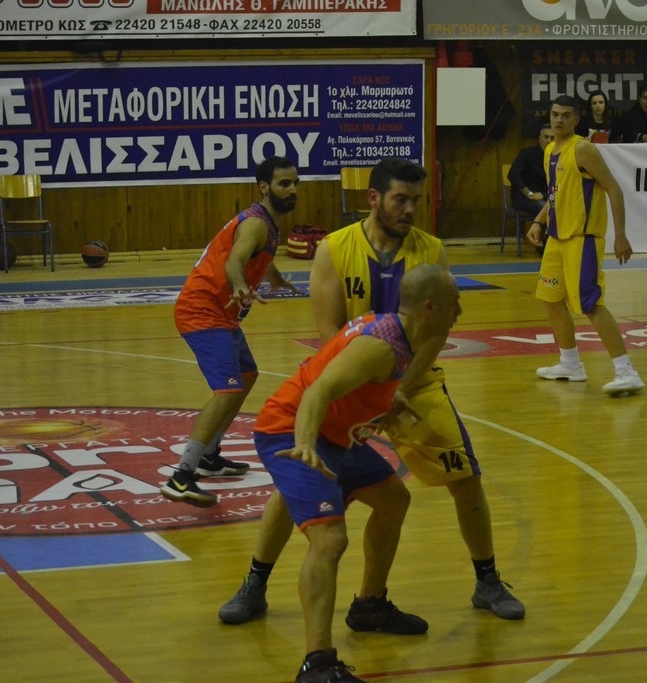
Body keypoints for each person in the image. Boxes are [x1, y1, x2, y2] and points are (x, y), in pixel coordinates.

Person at [218, 158, 525, 628]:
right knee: (296, 481)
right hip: (350, 381)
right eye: (401, 199)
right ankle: (255, 583)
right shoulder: (335, 248)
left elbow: (438, 329)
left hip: (414, 383)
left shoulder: (431, 250)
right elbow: (331, 336)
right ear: (374, 198)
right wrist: (371, 389)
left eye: (416, 200)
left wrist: (399, 386)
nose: (410, 210)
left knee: (465, 477)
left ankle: (487, 581)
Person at [254, 263, 462, 683]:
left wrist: (388, 399)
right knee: (329, 539)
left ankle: (369, 606)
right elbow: (318, 391)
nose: (460, 312)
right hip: (291, 430)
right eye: (454, 304)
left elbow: (350, 376)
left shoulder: (400, 335)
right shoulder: (382, 346)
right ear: (430, 308)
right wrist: (305, 444)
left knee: (394, 501)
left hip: (338, 435)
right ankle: (317, 665)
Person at [161, 155, 299, 506]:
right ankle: (181, 476)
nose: (292, 190)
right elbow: (235, 260)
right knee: (227, 390)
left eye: (295, 183)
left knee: (247, 375)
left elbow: (258, 256)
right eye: (284, 183)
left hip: (221, 315)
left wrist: (275, 278)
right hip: (202, 310)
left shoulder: (266, 222)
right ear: (264, 187)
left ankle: (209, 456)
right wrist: (238, 284)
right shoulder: (256, 224)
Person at [527, 95, 644, 397]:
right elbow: (556, 194)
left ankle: (626, 371)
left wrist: (620, 235)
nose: (559, 120)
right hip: (556, 239)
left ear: (577, 120)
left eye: (566, 115)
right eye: (555, 114)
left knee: (591, 304)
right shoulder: (550, 150)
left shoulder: (583, 149)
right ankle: (570, 364)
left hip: (582, 239)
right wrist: (539, 220)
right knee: (551, 299)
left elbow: (613, 189)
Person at [509, 122, 553, 255]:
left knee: (559, 206)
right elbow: (513, 175)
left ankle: (555, 245)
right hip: (524, 195)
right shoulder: (527, 153)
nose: (549, 141)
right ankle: (545, 245)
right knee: (546, 208)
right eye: (546, 137)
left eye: (552, 138)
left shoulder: (559, 156)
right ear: (539, 138)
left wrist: (545, 195)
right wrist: (529, 193)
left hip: (547, 195)